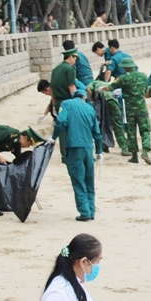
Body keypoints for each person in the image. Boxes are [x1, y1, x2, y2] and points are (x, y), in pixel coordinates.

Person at [53, 91, 102, 221]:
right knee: (89, 180)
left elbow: (61, 120)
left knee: (78, 179)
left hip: (74, 146)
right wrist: (99, 151)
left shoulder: (66, 104)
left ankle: (84, 211)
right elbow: (97, 133)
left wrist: (53, 137)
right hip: (88, 147)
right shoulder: (90, 108)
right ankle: (91, 211)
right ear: (84, 97)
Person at [110, 57, 151, 165]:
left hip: (129, 111)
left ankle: (134, 156)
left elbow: (111, 87)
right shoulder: (143, 76)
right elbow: (146, 90)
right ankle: (146, 151)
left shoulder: (123, 78)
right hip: (142, 108)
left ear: (126, 68)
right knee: (145, 131)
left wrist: (101, 88)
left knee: (131, 132)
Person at [85, 79, 129, 155]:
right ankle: (124, 148)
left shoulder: (93, 83)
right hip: (113, 101)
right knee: (117, 125)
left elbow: (88, 89)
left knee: (102, 124)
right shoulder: (107, 84)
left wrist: (92, 100)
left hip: (102, 102)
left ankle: (104, 145)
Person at [50, 47, 80, 112]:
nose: (75, 61)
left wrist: (54, 105)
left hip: (58, 103)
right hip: (68, 103)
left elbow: (52, 89)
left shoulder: (55, 69)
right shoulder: (70, 69)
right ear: (70, 57)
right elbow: (71, 86)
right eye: (75, 58)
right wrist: (77, 101)